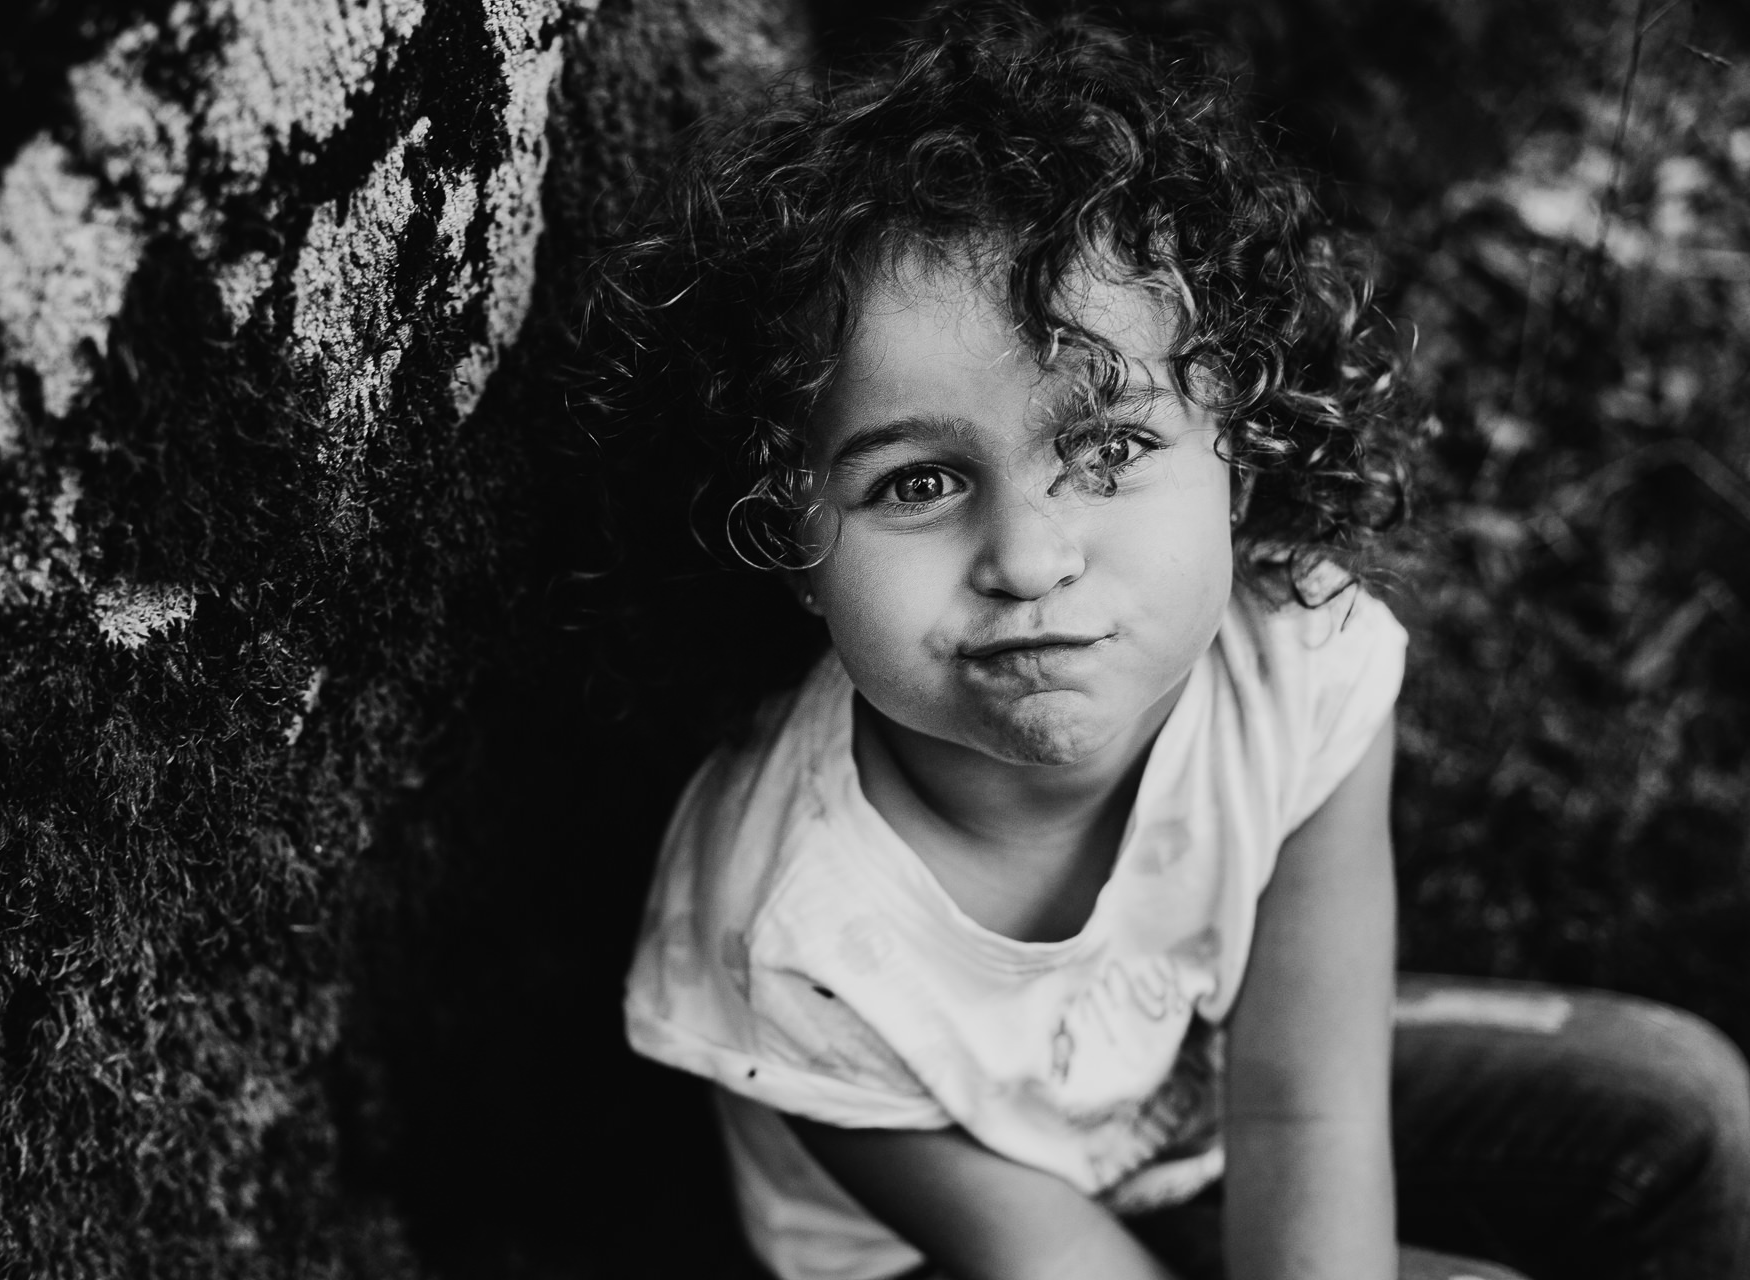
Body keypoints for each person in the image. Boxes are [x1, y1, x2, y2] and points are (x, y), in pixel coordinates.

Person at [580, 5, 1750, 1278]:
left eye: (1111, 450)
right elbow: (1059, 1262)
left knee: (1684, 1115)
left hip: (1200, 1106)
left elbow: (1308, 1105)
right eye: (917, 482)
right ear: (790, 542)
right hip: (974, 1254)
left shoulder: (1297, 664)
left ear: (1239, 461)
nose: (1028, 558)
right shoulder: (787, 924)